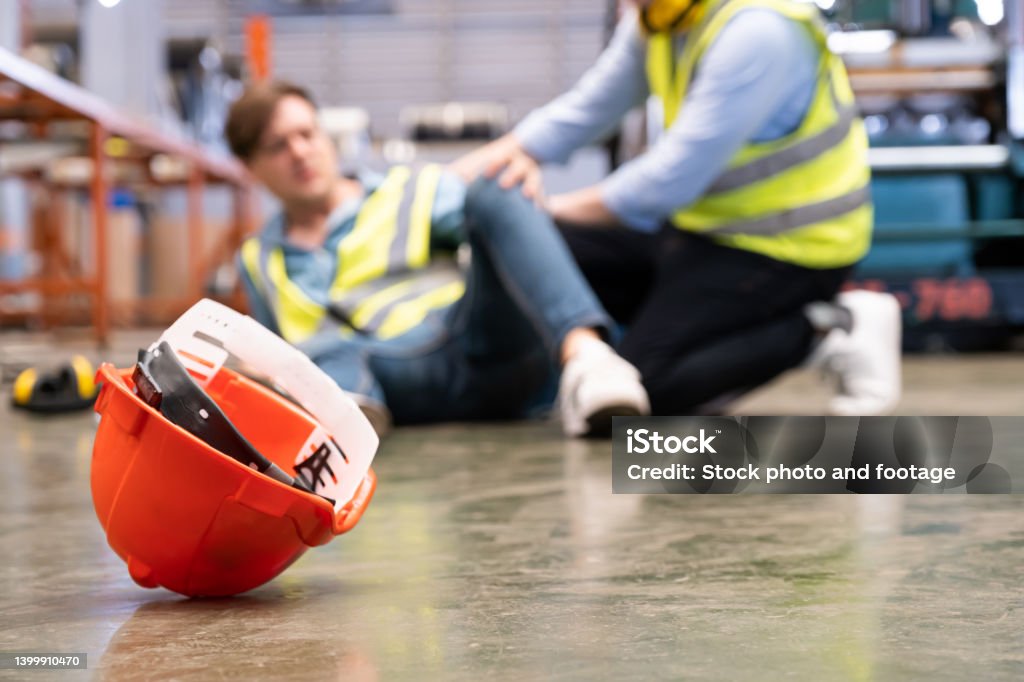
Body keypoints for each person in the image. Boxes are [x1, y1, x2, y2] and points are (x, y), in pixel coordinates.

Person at [456, 0, 902, 416]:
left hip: (789, 251)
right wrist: (452, 180)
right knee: (538, 255)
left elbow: (666, 182)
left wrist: (538, 211)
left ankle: (827, 329)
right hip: (701, 232)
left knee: (644, 390)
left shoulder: (760, 31)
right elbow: (585, 111)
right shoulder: (662, 16)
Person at [224, 80, 650, 437]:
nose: (300, 152)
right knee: (327, 353)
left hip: (476, 340)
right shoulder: (258, 260)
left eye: (307, 134)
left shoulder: (411, 190)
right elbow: (276, 356)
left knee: (499, 183)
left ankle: (587, 360)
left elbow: (502, 220)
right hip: (385, 382)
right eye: (278, 145)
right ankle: (346, 431)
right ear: (250, 167)